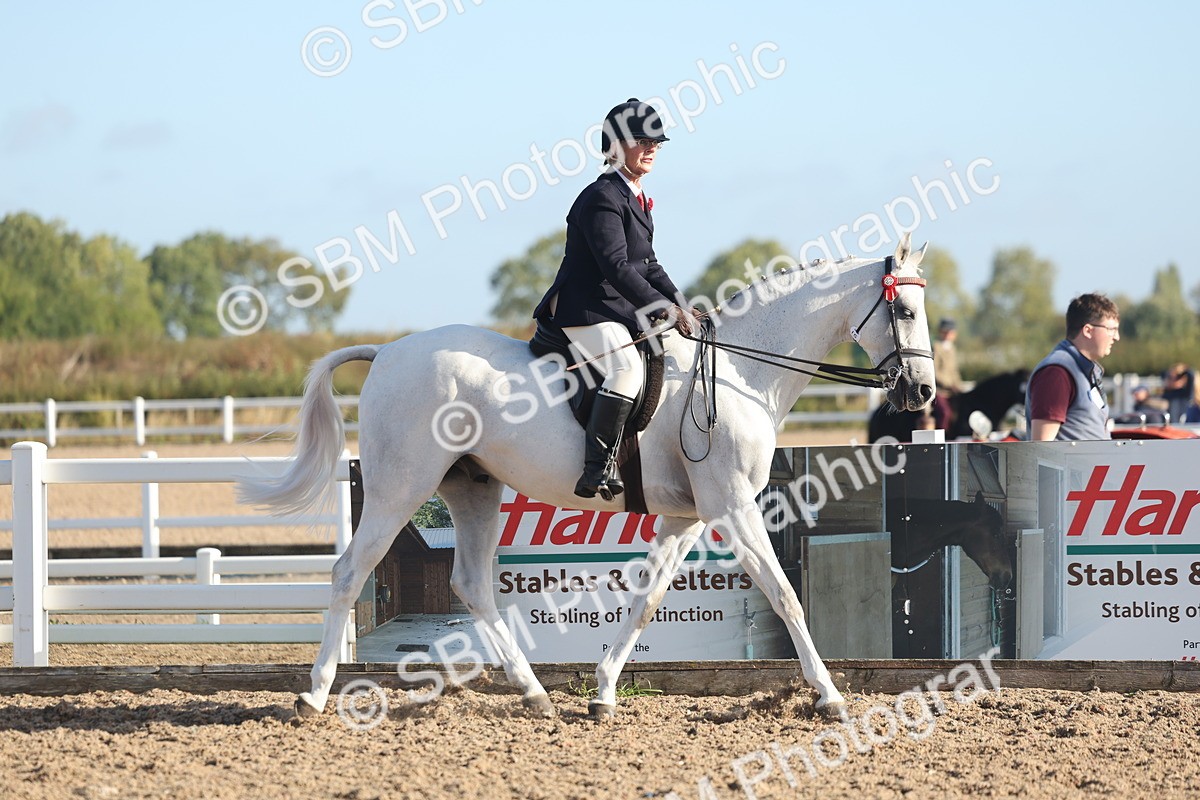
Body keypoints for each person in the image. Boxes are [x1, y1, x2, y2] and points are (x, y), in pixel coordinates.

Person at [533, 98, 696, 499]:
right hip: (585, 308)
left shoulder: (636, 198)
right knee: (625, 368)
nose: (652, 147)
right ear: (616, 146)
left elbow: (650, 265)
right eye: (642, 140)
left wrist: (682, 304)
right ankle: (597, 466)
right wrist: (660, 308)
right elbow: (617, 267)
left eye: (656, 141)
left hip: (614, 309)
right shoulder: (602, 196)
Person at [1026, 293, 1120, 441]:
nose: (1116, 337)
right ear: (1088, 330)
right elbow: (1041, 448)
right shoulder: (1056, 374)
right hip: (1073, 465)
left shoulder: (1083, 370)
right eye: (1111, 329)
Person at [931, 318, 963, 430]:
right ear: (941, 332)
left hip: (952, 390)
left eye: (951, 332)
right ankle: (943, 437)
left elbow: (954, 371)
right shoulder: (936, 347)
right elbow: (935, 371)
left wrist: (959, 386)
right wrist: (950, 384)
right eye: (946, 331)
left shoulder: (952, 348)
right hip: (939, 390)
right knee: (945, 413)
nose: (949, 334)